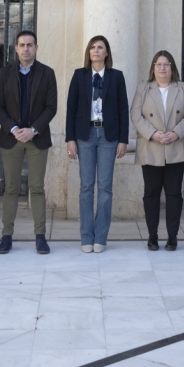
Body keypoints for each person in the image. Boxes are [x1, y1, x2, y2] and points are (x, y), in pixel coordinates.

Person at [0, 30, 57, 255]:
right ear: (16, 48)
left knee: (37, 188)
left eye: (30, 45)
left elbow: (51, 107)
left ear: (36, 48)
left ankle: (40, 237)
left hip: (37, 139)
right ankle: (6, 236)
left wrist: (33, 130)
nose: (26, 49)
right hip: (11, 139)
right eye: (22, 45)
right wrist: (13, 128)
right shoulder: (4, 73)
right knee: (10, 189)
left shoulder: (47, 73)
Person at [66, 35, 128, 253]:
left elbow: (123, 109)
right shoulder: (79, 75)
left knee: (105, 187)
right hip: (85, 134)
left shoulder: (117, 77)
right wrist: (70, 139)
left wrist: (123, 140)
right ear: (88, 52)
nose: (96, 50)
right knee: (85, 186)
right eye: (92, 47)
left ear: (107, 52)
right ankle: (86, 236)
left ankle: (101, 236)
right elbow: (71, 108)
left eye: (100, 47)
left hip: (109, 136)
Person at [131, 50, 184, 251]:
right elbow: (135, 115)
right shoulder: (143, 89)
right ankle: (152, 235)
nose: (162, 68)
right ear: (153, 68)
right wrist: (154, 134)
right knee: (151, 193)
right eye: (158, 64)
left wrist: (176, 133)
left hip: (177, 147)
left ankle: (172, 236)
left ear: (172, 67)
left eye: (166, 64)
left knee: (174, 194)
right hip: (151, 147)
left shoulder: (183, 88)